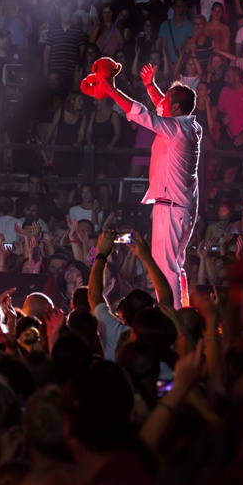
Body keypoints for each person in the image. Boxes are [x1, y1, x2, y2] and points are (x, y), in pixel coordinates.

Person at [82, 58, 200, 309]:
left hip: (171, 209)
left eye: (166, 100)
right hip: (182, 209)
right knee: (175, 266)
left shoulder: (175, 130)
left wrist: (110, 89)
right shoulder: (191, 126)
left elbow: (141, 114)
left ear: (176, 106)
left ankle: (173, 318)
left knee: (165, 269)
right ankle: (183, 313)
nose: (161, 102)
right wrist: (150, 86)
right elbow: (160, 106)